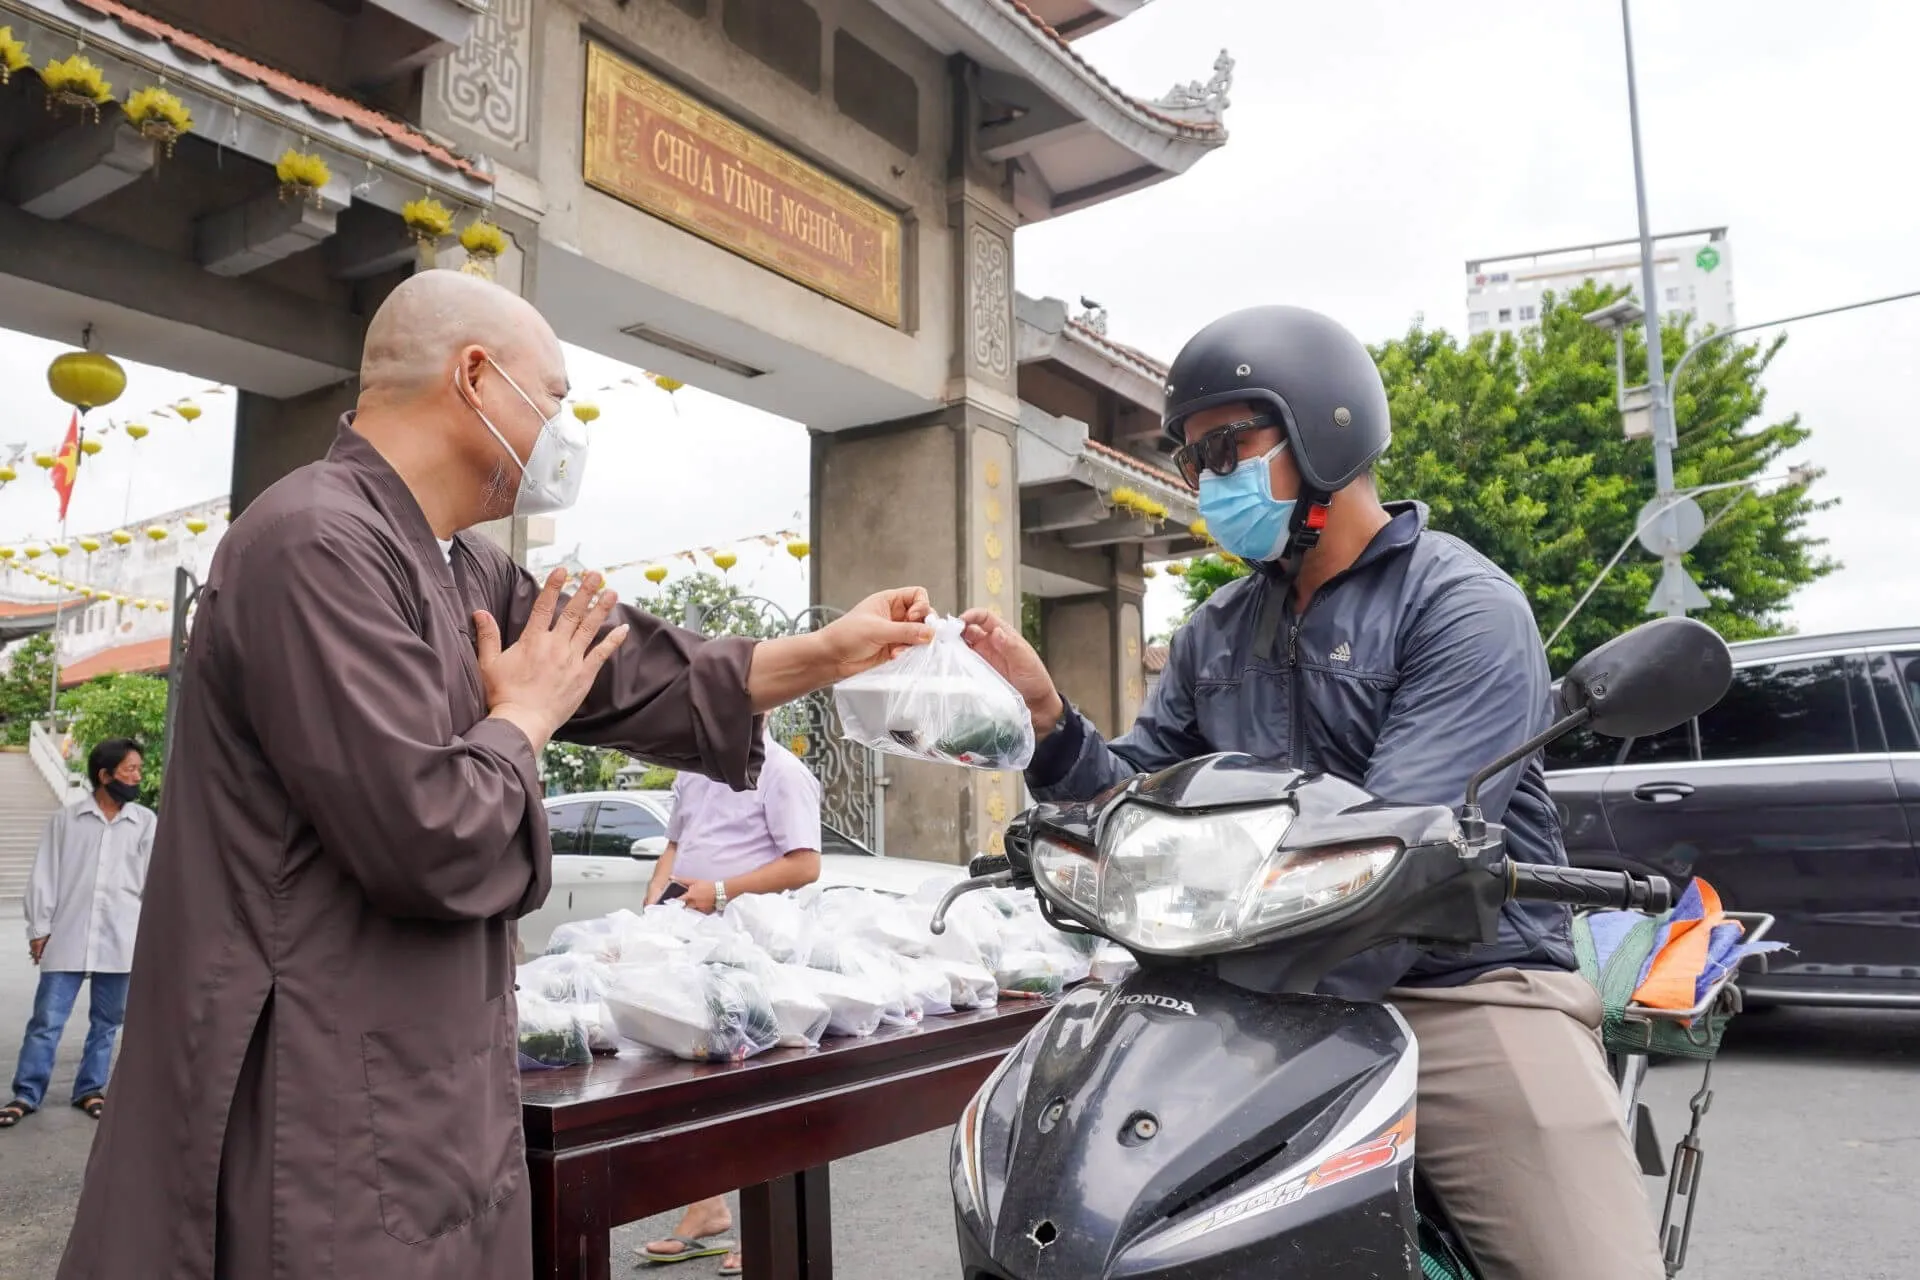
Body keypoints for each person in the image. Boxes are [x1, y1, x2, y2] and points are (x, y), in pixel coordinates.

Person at [54, 269, 933, 1280]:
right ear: (475, 377)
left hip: (436, 1073)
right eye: (553, 397)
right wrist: (523, 715)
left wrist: (829, 651)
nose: (564, 426)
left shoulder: (460, 563)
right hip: (317, 1085)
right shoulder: (314, 542)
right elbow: (426, 833)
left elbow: (633, 666)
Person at [960, 306, 1664, 1280]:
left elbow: (1406, 847)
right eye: (1194, 461)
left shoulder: (1461, 605)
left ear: (1324, 430)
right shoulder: (1216, 631)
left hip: (1457, 988)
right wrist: (1046, 719)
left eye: (1225, 448)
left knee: (1588, 1266)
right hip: (1239, 990)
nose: (1207, 482)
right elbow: (1132, 794)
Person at [639, 729, 823, 1273]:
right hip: (685, 945)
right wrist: (654, 903)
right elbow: (676, 844)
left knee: (754, 1085)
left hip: (751, 953)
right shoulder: (691, 768)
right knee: (688, 1081)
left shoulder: (783, 772)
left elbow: (805, 864)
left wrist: (722, 892)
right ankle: (707, 1208)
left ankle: (766, 1229)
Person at [1, 739, 154, 1130]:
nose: (138, 776)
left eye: (139, 769)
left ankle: (90, 1090)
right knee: (46, 1020)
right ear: (105, 776)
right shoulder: (66, 821)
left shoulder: (145, 823)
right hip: (67, 935)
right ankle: (26, 1094)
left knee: (107, 1022)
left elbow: (155, 882)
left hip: (121, 938)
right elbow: (45, 875)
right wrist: (40, 928)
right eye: (130, 769)